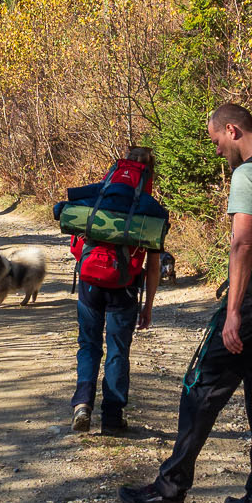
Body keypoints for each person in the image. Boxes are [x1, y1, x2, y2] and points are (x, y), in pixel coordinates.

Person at [119, 103, 252, 503]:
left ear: (233, 130)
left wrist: (233, 311)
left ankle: (169, 489)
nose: (217, 150)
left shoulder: (249, 173)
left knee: (201, 386)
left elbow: (242, 244)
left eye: (217, 140)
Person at [70, 145, 163, 436]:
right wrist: (147, 306)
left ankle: (83, 404)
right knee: (118, 351)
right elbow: (155, 265)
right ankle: (112, 417)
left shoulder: (99, 194)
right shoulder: (151, 210)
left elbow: (75, 239)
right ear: (148, 173)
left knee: (88, 345)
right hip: (123, 288)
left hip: (90, 284)